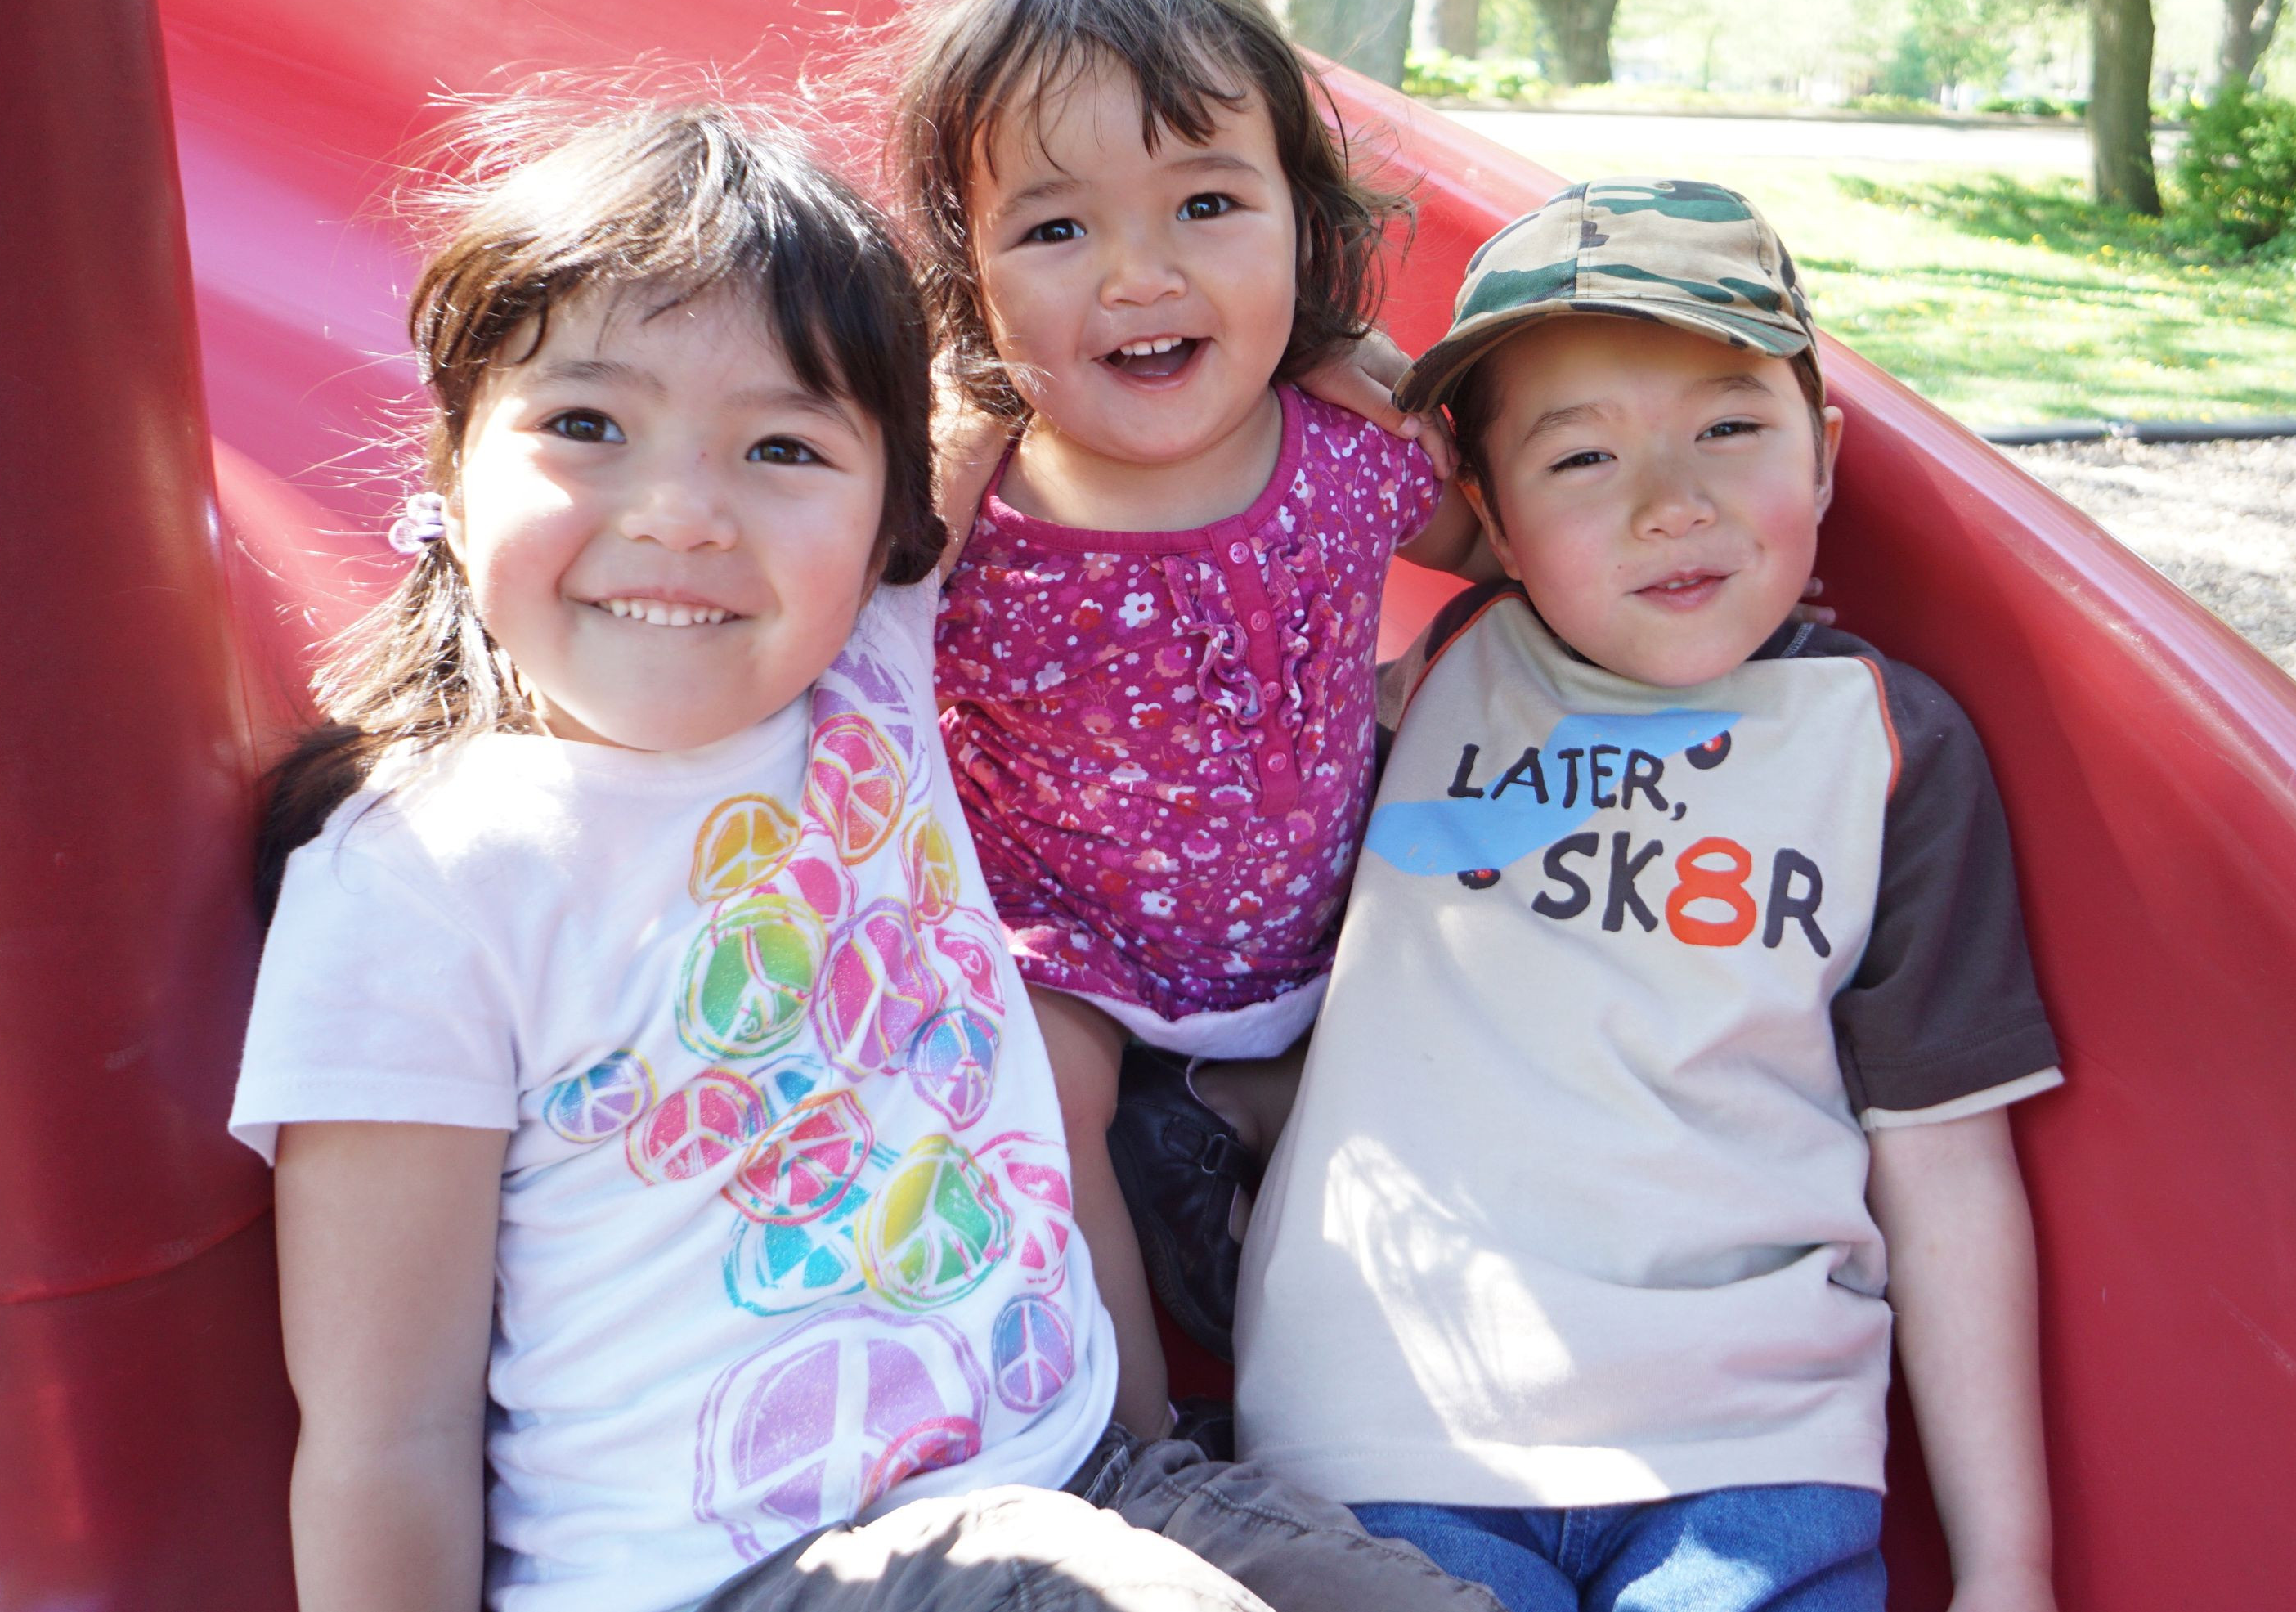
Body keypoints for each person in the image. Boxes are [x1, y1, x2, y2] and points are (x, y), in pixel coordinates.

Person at [233, 102, 1505, 1612]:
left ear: (889, 512)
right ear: (451, 472)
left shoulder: (875, 670)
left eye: (782, 447)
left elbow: (1035, 365)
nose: (684, 515)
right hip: (747, 1576)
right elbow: (385, 1430)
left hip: (1082, 1469)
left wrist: (1308, 345)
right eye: (586, 426)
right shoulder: (421, 874)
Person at [1235, 180, 2065, 1612]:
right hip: (1390, 1418)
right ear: (1488, 512)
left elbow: (1946, 1168)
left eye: (1730, 430)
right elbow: (1240, 396)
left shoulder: (1879, 745)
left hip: (1752, 1453)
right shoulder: (1447, 673)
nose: (1670, 504)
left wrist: (2009, 1566)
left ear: (1825, 455)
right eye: (1582, 457)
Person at [895, 0, 1485, 1435]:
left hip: (1326, 933)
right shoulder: (981, 492)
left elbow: (1509, 541)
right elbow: (851, 609)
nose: (1138, 275)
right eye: (1054, 227)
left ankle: (1230, 1131)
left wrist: (1375, 364)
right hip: (1067, 948)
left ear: (1307, 227)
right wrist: (954, 423)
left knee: (1461, 1040)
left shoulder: (1349, 452)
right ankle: (1148, 1445)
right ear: (969, 272)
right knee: (1036, 1088)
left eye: (1208, 206)